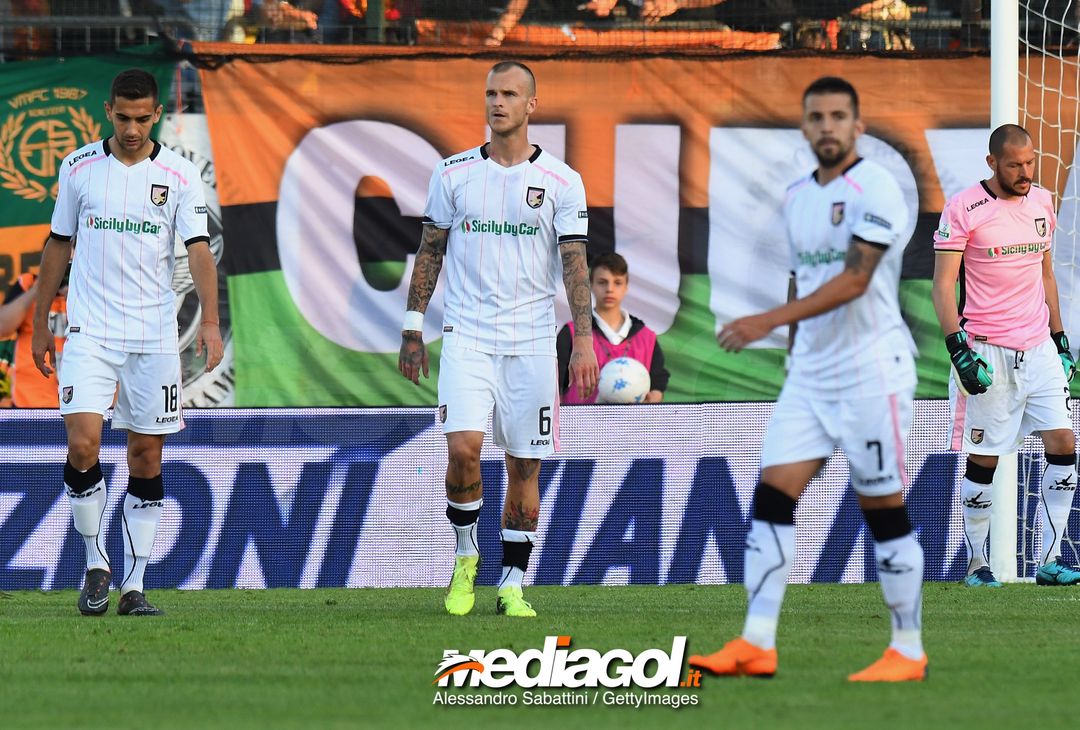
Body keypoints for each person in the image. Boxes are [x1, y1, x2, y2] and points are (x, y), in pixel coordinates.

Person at [690, 76, 926, 682]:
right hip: (811, 377)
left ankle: (907, 648)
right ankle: (757, 642)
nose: (827, 126)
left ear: (858, 126)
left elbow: (854, 280)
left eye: (838, 116)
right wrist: (795, 352)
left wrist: (765, 321)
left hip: (872, 372)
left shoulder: (877, 187)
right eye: (816, 116)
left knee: (883, 509)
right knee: (772, 496)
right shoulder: (798, 196)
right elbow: (804, 282)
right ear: (804, 127)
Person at [398, 60, 598, 618]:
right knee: (463, 450)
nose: (497, 102)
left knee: (525, 466)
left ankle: (512, 583)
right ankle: (466, 559)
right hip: (467, 336)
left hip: (532, 342)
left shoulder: (562, 181)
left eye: (509, 94)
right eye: (490, 93)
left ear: (532, 105)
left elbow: (575, 264)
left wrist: (582, 340)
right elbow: (430, 251)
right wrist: (413, 328)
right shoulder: (453, 172)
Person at [34, 68, 223, 617]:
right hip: (90, 331)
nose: (133, 128)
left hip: (153, 336)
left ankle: (135, 585)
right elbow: (58, 244)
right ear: (108, 111)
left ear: (157, 113)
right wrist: (44, 319)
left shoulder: (182, 175)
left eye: (143, 118)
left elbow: (198, 251)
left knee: (146, 455)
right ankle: (96, 564)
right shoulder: (79, 168)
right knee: (82, 445)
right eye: (123, 117)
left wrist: (209, 323)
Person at [931, 123, 1080, 588]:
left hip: (1037, 348)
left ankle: (1051, 561)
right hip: (988, 351)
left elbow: (1046, 275)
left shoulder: (1041, 202)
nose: (1025, 172)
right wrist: (958, 349)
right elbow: (942, 285)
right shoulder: (964, 208)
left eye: (1030, 162)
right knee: (985, 459)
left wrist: (1059, 339)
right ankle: (978, 566)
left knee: (1063, 444)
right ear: (992, 162)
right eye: (1015, 164)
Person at [556, 252, 669, 403]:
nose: (609, 289)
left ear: (626, 286)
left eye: (617, 282)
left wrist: (655, 395)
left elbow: (658, 381)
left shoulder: (646, 337)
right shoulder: (571, 334)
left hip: (632, 425)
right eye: (602, 282)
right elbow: (555, 384)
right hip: (583, 424)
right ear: (590, 284)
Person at [0, 254, 68, 407]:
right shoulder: (28, 283)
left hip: (82, 407)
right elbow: (2, 326)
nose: (63, 272)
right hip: (30, 406)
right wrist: (42, 285)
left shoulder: (94, 289)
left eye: (68, 267)